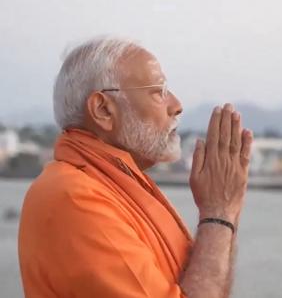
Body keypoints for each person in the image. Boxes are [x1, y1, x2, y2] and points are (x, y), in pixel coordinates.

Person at [18, 36, 254, 298]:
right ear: (103, 110)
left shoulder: (116, 184)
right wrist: (219, 212)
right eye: (159, 91)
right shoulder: (73, 197)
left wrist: (225, 211)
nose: (176, 105)